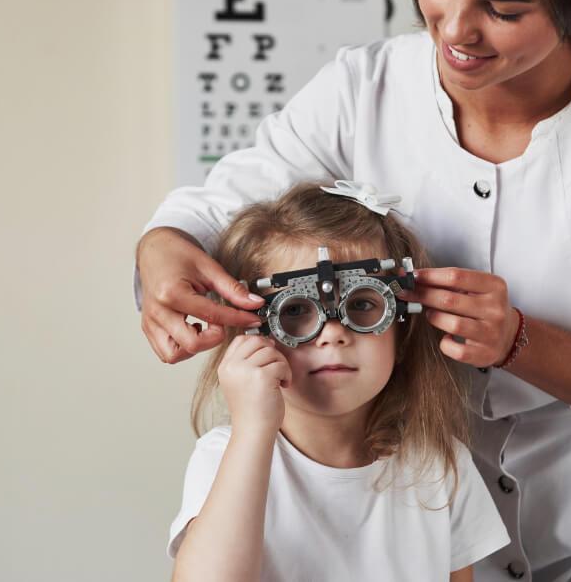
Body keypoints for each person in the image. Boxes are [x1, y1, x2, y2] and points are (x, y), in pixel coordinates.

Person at [137, 0, 571, 579]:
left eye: (503, 9)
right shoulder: (362, 90)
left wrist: (519, 341)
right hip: (457, 536)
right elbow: (218, 209)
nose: (456, 29)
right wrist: (162, 246)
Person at [167, 182, 511, 581]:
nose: (332, 334)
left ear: (401, 335)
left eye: (362, 304)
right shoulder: (228, 455)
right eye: (295, 310)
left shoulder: (440, 464)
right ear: (252, 334)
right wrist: (253, 431)